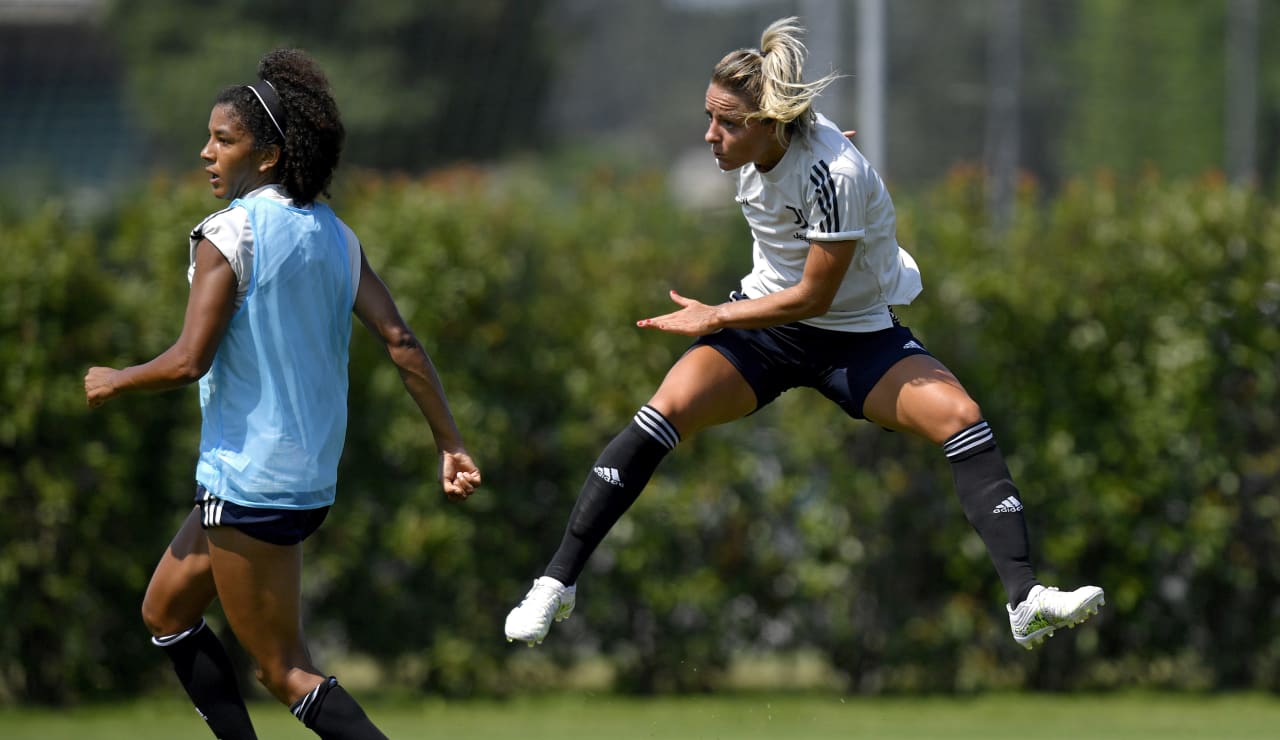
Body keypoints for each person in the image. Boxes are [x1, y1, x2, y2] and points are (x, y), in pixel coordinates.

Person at [504, 17, 1102, 652]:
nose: (711, 135)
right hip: (769, 330)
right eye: (710, 117)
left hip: (852, 336)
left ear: (770, 123)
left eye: (727, 122)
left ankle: (1025, 598)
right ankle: (555, 583)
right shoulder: (767, 147)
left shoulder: (831, 172)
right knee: (664, 412)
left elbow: (815, 296)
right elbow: (799, 175)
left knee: (960, 416)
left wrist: (714, 315)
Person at [85, 48, 480, 739]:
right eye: (208, 137)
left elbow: (187, 362)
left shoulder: (229, 233)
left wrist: (113, 379)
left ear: (267, 156)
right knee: (166, 614)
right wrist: (449, 442)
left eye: (224, 139)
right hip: (303, 482)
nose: (206, 152)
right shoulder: (334, 234)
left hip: (247, 483)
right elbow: (401, 340)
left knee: (283, 670)